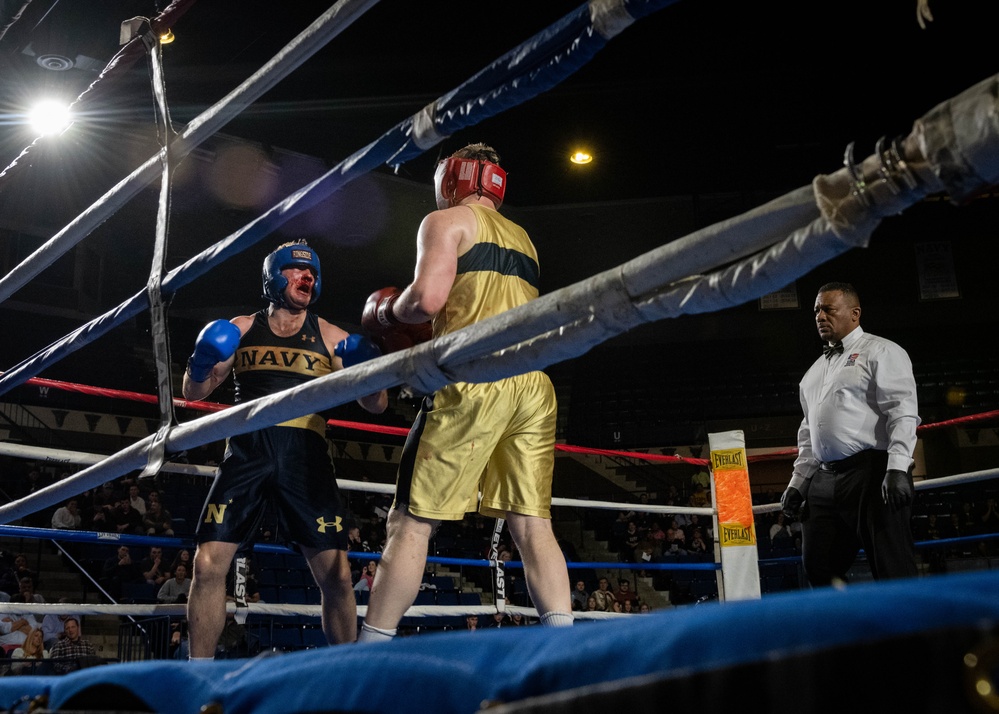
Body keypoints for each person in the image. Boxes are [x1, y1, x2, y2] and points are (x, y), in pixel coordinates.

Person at [357, 143, 572, 643]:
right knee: (533, 525)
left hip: (474, 379)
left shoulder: (446, 221)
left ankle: (366, 654)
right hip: (534, 386)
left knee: (411, 524)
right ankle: (565, 648)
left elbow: (428, 300)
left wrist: (388, 313)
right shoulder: (524, 239)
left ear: (450, 178)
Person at [181, 239, 388, 659]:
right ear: (273, 277)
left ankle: (345, 675)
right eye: (296, 270)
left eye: (312, 271)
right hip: (247, 450)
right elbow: (194, 392)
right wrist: (201, 361)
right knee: (206, 566)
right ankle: (197, 674)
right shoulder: (240, 328)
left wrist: (372, 372)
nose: (307, 276)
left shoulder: (331, 336)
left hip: (305, 455)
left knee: (338, 576)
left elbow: (377, 406)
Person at [780, 282, 919, 587]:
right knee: (817, 566)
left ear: (854, 313)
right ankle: (846, 631)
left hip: (872, 471)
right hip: (825, 479)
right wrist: (798, 483)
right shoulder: (814, 371)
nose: (819, 315)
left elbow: (902, 410)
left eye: (828, 309)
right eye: (816, 309)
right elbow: (808, 432)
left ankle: (913, 633)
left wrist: (897, 466)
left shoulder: (882, 351)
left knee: (892, 565)